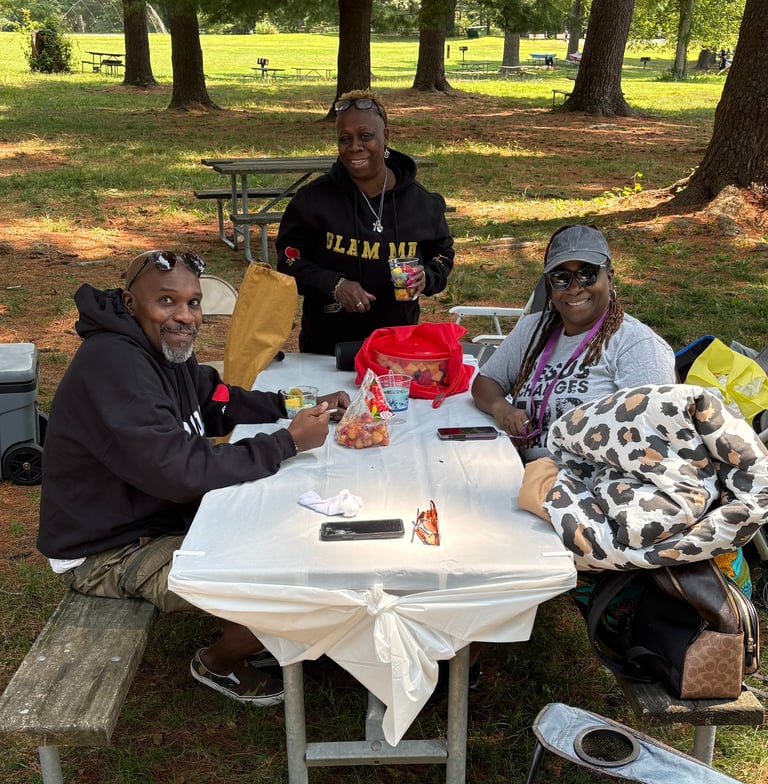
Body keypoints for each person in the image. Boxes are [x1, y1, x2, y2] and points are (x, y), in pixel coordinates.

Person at [37, 249, 350, 705]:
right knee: (281, 575)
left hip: (156, 516)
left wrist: (292, 405)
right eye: (167, 301)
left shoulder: (163, 347)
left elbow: (214, 398)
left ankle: (275, 632)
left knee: (294, 527)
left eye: (194, 302)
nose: (186, 316)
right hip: (108, 549)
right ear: (131, 303)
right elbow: (180, 471)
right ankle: (218, 662)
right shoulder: (114, 365)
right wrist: (286, 442)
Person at [471, 224, 676, 461]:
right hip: (517, 467)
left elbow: (652, 442)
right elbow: (486, 382)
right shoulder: (533, 329)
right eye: (561, 278)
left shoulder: (637, 345)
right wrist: (501, 408)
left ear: (609, 276)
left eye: (587, 274)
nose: (575, 288)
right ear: (549, 285)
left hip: (593, 477)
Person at [276, 90, 455, 356]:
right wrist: (334, 285)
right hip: (327, 350)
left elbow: (442, 253)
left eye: (366, 136)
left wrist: (426, 276)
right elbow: (289, 261)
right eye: (344, 139)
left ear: (386, 136)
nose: (354, 147)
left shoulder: (423, 204)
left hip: (395, 348)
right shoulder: (312, 200)